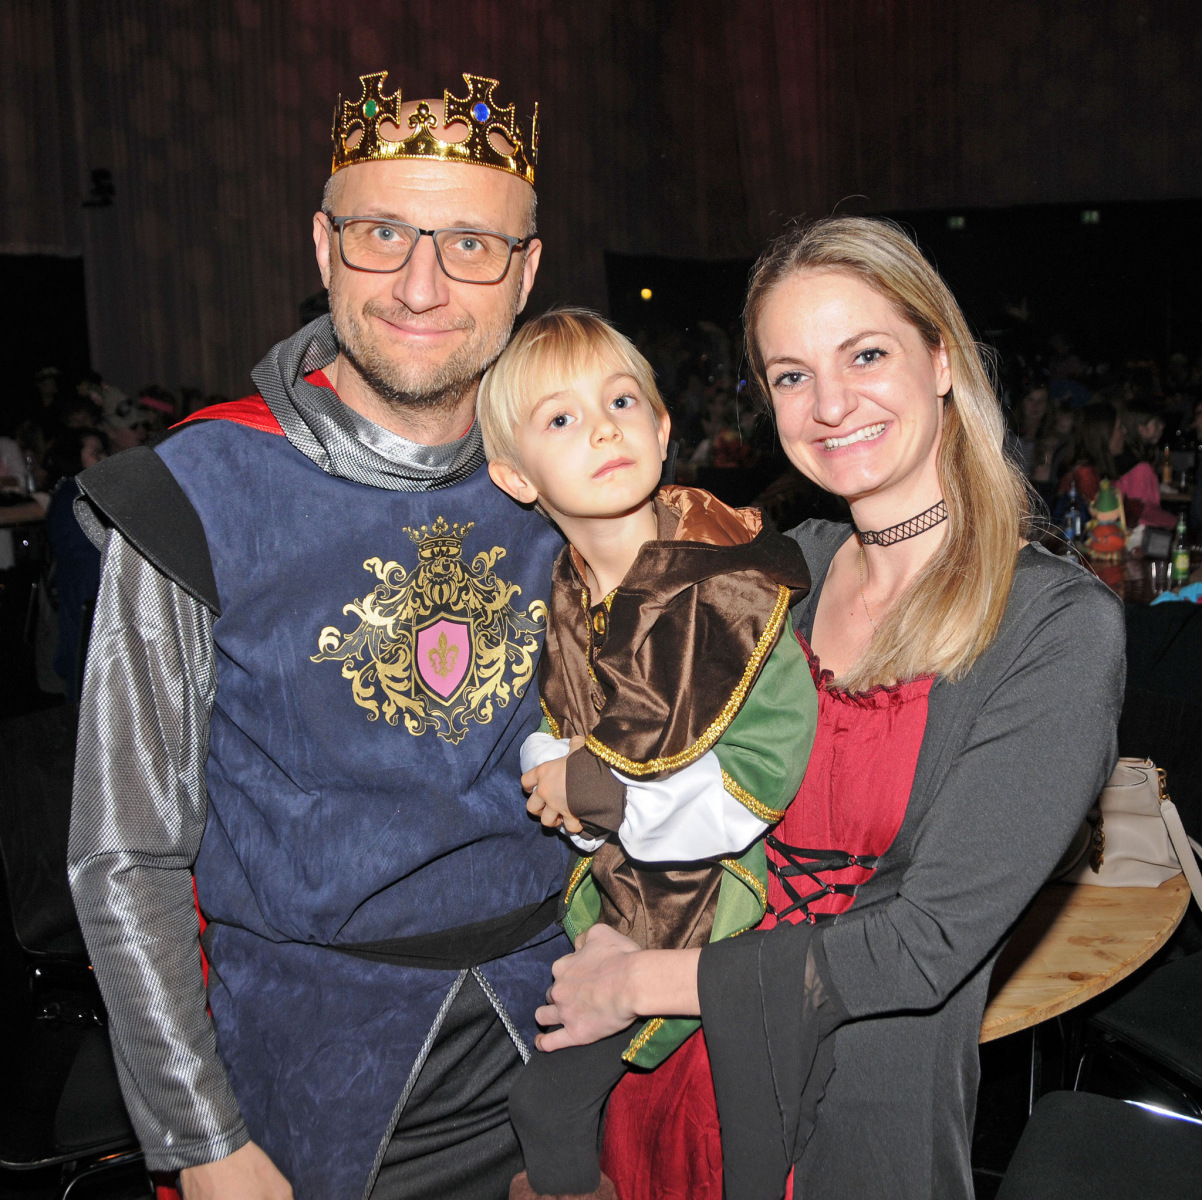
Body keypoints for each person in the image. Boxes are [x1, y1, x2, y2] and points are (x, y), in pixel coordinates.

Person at [531, 217, 1125, 1200]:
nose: (831, 402)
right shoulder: (766, 574)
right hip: (652, 1074)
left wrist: (634, 982)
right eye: (791, 374)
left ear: (941, 359)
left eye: (866, 354)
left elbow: (923, 945)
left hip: (850, 1114)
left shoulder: (1054, 627)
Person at [68, 70, 568, 1200]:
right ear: (322, 246)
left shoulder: (574, 476)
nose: (421, 286)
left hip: (563, 1049)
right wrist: (199, 1140)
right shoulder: (196, 495)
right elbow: (125, 853)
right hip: (307, 1069)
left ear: (526, 272)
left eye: (471, 245)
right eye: (382, 233)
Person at [476, 310, 816, 1200]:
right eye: (561, 417)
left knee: (556, 1107)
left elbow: (767, 763)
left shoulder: (725, 583)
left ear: (662, 428)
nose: (602, 428)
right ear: (515, 476)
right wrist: (559, 778)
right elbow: (570, 719)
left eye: (621, 401)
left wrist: (603, 794)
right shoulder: (567, 586)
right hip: (617, 884)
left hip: (711, 900)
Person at [42, 428, 109, 700]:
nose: (104, 458)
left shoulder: (78, 490)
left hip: (85, 592)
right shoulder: (77, 495)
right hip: (86, 593)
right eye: (96, 453)